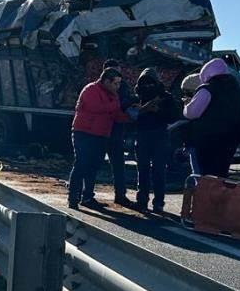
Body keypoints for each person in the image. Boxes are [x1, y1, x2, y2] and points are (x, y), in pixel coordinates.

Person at [68, 68, 129, 210]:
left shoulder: (113, 95)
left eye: (119, 84)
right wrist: (119, 106)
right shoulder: (91, 89)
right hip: (84, 133)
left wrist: (130, 115)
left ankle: (87, 196)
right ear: (107, 81)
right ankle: (73, 197)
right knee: (81, 164)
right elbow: (95, 107)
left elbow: (115, 114)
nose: (117, 87)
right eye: (116, 83)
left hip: (101, 134)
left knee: (93, 166)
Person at [183, 57, 240, 177]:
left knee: (203, 177)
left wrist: (187, 104)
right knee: (220, 177)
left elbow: (192, 113)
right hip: (230, 139)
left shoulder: (208, 89)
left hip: (206, 141)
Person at [133, 68, 178, 213]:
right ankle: (143, 201)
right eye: (145, 84)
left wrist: (157, 111)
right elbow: (129, 116)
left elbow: (173, 116)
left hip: (158, 136)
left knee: (157, 170)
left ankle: (157, 202)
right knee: (144, 170)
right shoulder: (137, 96)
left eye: (150, 83)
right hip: (144, 135)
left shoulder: (165, 97)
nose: (147, 87)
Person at [102, 59, 135, 205]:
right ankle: (120, 195)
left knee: (93, 163)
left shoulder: (98, 87)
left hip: (107, 130)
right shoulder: (121, 86)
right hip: (112, 129)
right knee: (117, 164)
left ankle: (85, 194)